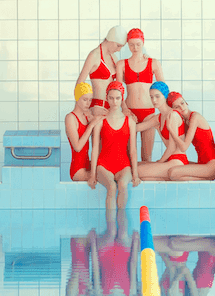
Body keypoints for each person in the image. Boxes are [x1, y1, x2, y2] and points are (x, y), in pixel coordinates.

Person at [87, 81, 140, 210]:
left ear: (122, 98)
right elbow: (94, 149)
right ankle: (110, 227)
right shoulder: (101, 120)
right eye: (111, 98)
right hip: (104, 165)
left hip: (123, 165)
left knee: (122, 185)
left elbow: (133, 150)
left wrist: (136, 174)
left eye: (117, 98)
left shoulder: (130, 121)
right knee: (111, 187)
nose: (114, 102)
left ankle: (122, 224)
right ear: (107, 98)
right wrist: (92, 175)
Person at [116, 28, 166, 162]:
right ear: (127, 44)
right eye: (131, 44)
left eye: (138, 44)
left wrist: (163, 111)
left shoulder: (153, 63)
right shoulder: (122, 64)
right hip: (129, 111)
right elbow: (118, 90)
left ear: (143, 43)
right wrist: (124, 109)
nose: (135, 47)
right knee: (127, 157)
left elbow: (163, 89)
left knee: (146, 157)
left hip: (149, 113)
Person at [166, 92, 215, 181]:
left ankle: (207, 178)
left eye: (182, 103)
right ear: (173, 110)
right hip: (202, 164)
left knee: (173, 173)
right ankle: (206, 177)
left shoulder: (195, 117)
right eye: (177, 107)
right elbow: (176, 146)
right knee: (171, 168)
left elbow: (184, 147)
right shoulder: (184, 122)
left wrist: (170, 128)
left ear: (186, 102)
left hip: (213, 164)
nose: (181, 107)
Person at [134, 81, 183, 181]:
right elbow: (136, 128)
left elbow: (172, 147)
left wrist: (159, 162)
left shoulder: (173, 115)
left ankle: (169, 178)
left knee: (136, 171)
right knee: (134, 166)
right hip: (169, 160)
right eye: (151, 97)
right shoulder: (158, 118)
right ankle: (164, 180)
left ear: (165, 96)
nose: (154, 100)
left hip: (178, 160)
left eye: (157, 96)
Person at [75, 26, 128, 117]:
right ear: (110, 39)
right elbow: (79, 84)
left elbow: (123, 82)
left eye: (121, 47)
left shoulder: (113, 58)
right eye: (118, 45)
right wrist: (85, 110)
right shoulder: (94, 55)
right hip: (98, 107)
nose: (119, 50)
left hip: (111, 108)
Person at [66, 82, 103, 182]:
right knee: (105, 178)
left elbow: (100, 120)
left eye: (90, 100)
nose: (88, 103)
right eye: (85, 99)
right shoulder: (70, 118)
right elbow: (77, 147)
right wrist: (91, 125)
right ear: (77, 98)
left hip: (87, 165)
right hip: (78, 170)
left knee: (110, 171)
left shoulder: (86, 116)